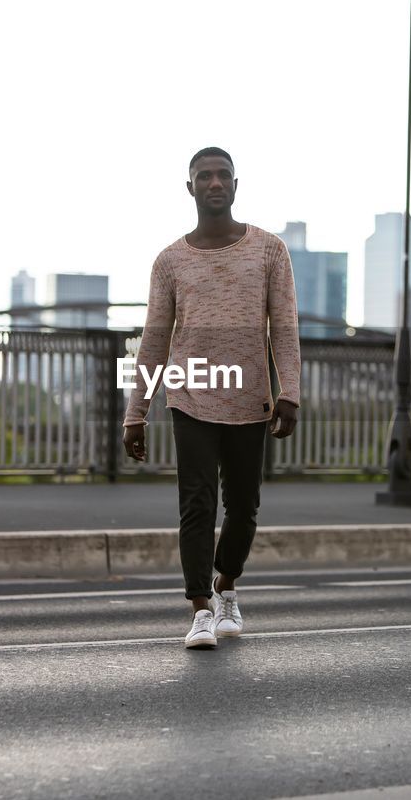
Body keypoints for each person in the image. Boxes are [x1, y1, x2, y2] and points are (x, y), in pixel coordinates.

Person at [122, 147, 301, 650]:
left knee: (243, 508)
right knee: (196, 504)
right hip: (191, 393)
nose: (215, 183)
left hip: (250, 398)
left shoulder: (269, 250)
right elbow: (154, 339)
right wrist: (135, 412)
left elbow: (284, 327)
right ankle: (200, 607)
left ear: (236, 186)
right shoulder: (169, 261)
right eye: (205, 176)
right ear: (191, 188)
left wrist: (290, 393)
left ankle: (226, 586)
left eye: (223, 175)